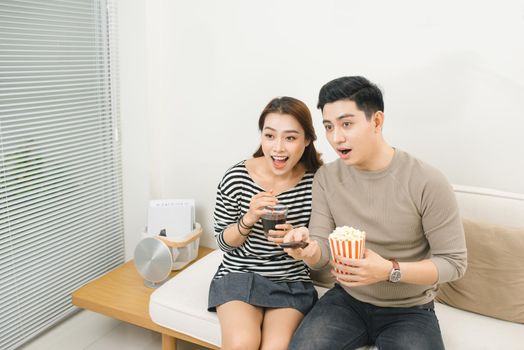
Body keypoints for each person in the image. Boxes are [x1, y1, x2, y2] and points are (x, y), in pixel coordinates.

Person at [283, 76, 467, 350]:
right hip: (346, 301)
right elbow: (321, 250)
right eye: (329, 127)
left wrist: (389, 271)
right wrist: (309, 251)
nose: (336, 138)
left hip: (410, 309)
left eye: (347, 124)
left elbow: (454, 263)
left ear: (377, 121)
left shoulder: (426, 181)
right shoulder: (327, 178)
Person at [208, 96, 323, 350]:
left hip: (290, 279)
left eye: (290, 138)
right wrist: (248, 219)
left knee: (276, 347)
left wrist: (297, 240)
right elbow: (223, 244)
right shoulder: (236, 177)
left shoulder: (317, 182)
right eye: (270, 136)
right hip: (240, 275)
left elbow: (318, 247)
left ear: (306, 140)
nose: (278, 148)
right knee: (242, 343)